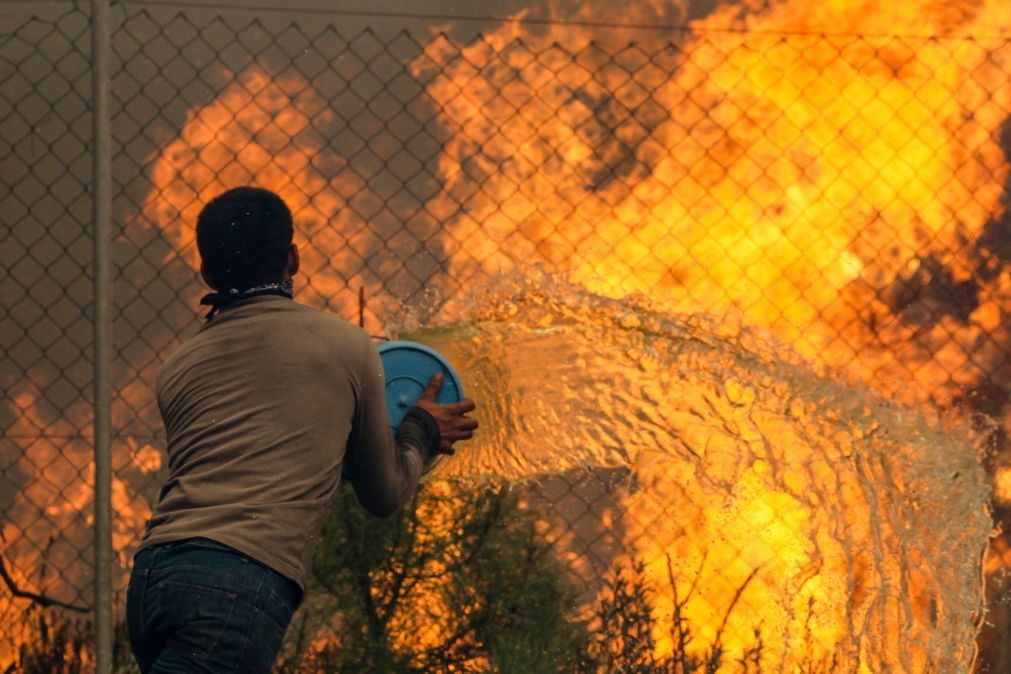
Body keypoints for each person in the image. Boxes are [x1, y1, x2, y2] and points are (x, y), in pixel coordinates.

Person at [126, 186, 478, 673]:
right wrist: (420, 428)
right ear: (293, 259)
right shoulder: (347, 347)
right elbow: (384, 493)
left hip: (153, 579)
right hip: (235, 580)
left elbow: (261, 444)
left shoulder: (178, 367)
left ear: (207, 272)